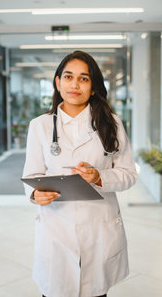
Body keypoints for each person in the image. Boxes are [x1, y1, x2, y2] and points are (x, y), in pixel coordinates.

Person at [22, 50, 138, 297]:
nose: (74, 84)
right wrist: (35, 194)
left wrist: (99, 177)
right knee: (55, 290)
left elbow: (129, 174)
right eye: (68, 77)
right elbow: (32, 174)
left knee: (94, 292)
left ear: (94, 87)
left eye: (84, 78)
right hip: (56, 227)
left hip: (98, 228)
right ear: (57, 82)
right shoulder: (40, 126)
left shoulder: (112, 124)